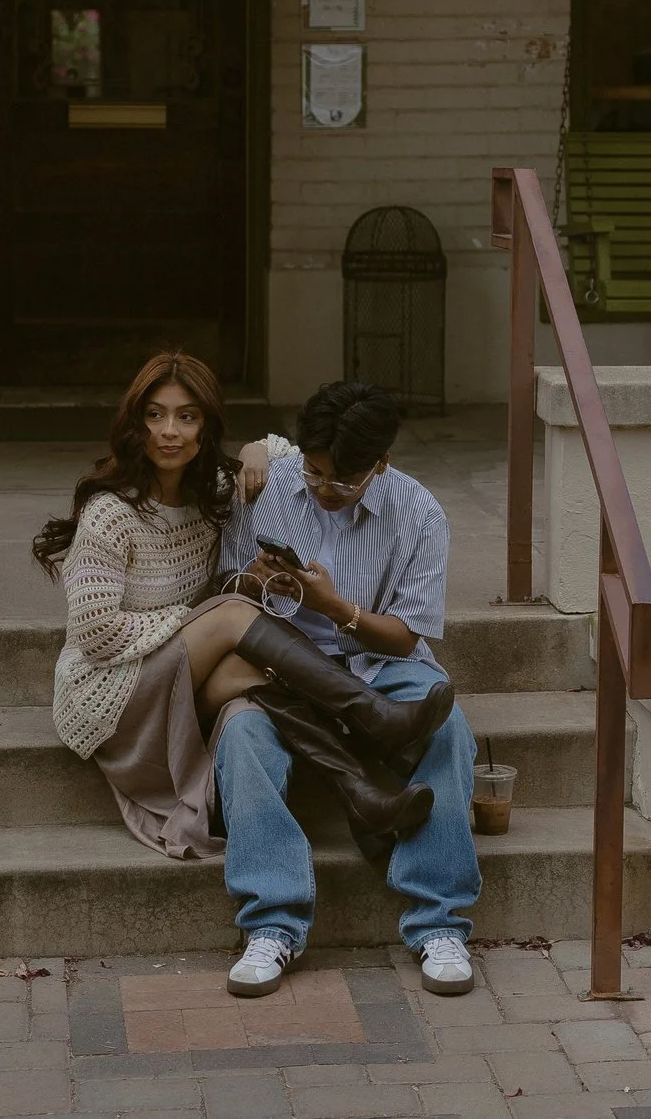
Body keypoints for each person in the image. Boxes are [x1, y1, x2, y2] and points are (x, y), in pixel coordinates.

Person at [34, 353, 449, 861]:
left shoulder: (215, 495)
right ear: (133, 423)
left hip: (180, 682)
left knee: (252, 660)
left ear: (206, 427)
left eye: (187, 417)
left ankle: (361, 795)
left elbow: (290, 453)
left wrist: (257, 454)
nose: (170, 431)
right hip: (110, 692)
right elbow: (97, 635)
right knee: (232, 616)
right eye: (155, 415)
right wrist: (207, 618)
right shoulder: (109, 514)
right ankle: (374, 716)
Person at [213, 381, 482, 1001]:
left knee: (447, 726)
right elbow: (225, 587)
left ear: (380, 464)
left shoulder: (419, 512)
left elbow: (405, 634)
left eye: (342, 482)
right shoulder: (271, 485)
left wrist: (339, 609)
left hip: (381, 663)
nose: (323, 490)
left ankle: (438, 921)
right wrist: (254, 583)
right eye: (314, 472)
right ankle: (272, 923)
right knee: (243, 733)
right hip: (283, 663)